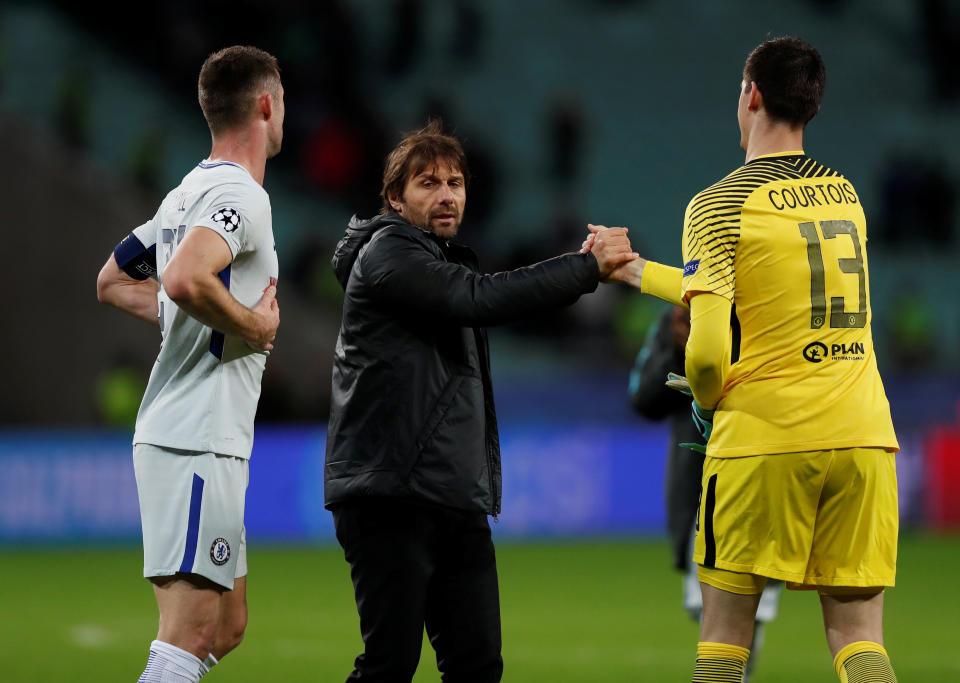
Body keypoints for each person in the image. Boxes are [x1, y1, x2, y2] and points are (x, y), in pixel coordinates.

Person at [590, 37, 899, 682]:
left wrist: (705, 403)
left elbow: (706, 350)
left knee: (725, 640)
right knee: (859, 639)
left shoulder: (720, 204)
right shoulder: (844, 196)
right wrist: (639, 273)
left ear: (751, 95)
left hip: (765, 438)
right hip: (864, 437)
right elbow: (746, 286)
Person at [326, 120, 637, 682]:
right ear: (395, 199)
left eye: (455, 182)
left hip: (450, 492)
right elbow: (480, 298)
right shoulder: (388, 252)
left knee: (476, 667)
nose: (446, 195)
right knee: (389, 666)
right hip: (392, 492)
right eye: (427, 183)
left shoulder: (435, 260)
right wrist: (585, 268)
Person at [95, 45, 283, 682]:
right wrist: (256, 325)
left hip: (206, 438)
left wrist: (194, 314)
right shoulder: (239, 196)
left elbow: (115, 280)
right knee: (191, 631)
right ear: (265, 105)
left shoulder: (186, 195)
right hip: (194, 438)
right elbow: (182, 278)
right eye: (281, 103)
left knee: (226, 627)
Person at [629, 306, 782, 682]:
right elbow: (642, 399)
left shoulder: (769, 310)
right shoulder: (678, 316)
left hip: (764, 472)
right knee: (710, 605)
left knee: (753, 604)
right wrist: (679, 353)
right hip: (699, 484)